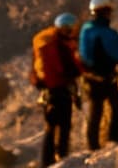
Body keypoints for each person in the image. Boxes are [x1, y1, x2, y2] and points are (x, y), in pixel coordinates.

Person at [77, 0, 118, 150]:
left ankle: (93, 144)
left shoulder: (86, 30)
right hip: (106, 75)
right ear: (107, 11)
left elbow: (83, 54)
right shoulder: (106, 31)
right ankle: (113, 138)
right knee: (117, 105)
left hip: (90, 76)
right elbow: (117, 51)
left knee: (96, 110)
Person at [29, 13, 80, 166]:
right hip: (61, 91)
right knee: (63, 127)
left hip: (47, 92)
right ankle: (62, 160)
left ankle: (47, 162)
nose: (70, 33)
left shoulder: (43, 45)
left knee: (50, 128)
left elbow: (34, 71)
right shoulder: (58, 46)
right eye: (68, 30)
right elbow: (64, 69)